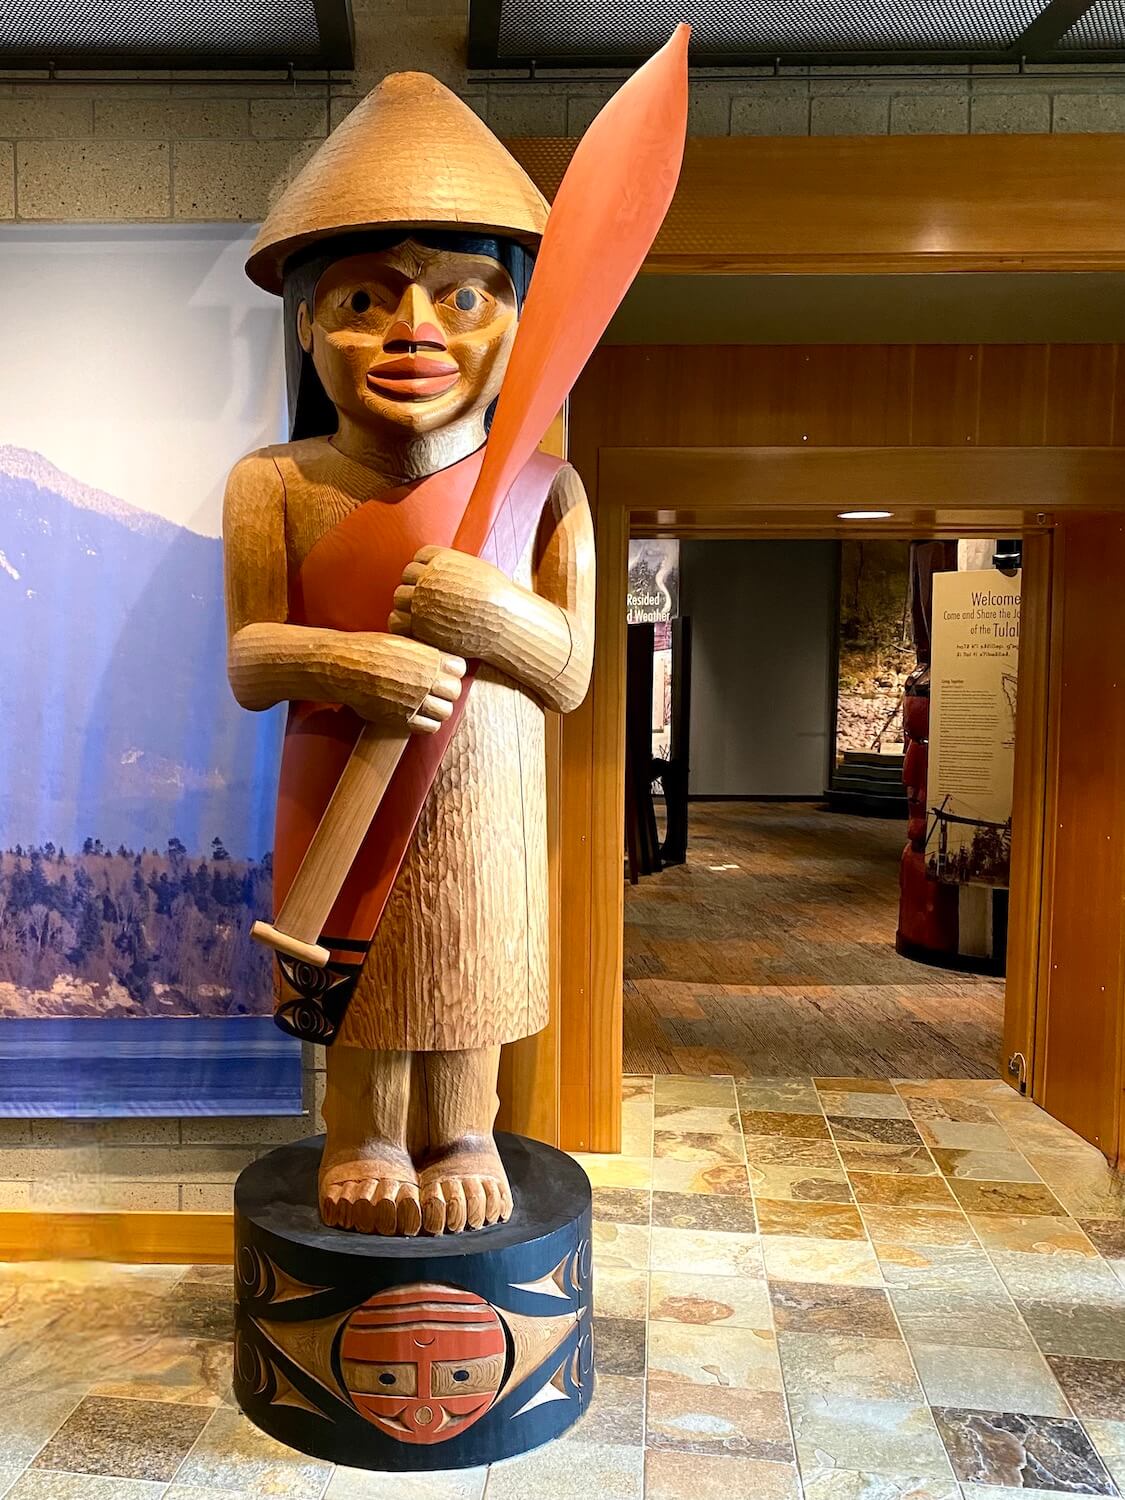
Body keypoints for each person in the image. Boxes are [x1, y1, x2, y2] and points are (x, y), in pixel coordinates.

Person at [223, 73, 594, 1236]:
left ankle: (468, 1127)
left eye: (464, 297)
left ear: (520, 317)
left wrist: (495, 614)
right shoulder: (275, 484)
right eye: (370, 300)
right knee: (364, 975)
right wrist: (349, 665)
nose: (416, 332)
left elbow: (573, 669)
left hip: (484, 791)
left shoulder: (545, 491)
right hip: (342, 777)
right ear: (307, 323)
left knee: (467, 959)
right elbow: (248, 659)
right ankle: (370, 1132)